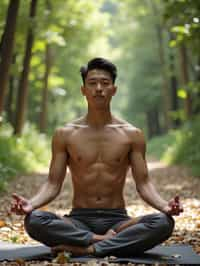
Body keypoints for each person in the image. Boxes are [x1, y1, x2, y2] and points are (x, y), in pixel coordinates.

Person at [11, 57, 183, 257]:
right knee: (34, 220)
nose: (99, 88)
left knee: (163, 223)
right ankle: (101, 241)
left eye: (105, 83)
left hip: (119, 221)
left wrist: (165, 206)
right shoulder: (65, 134)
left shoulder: (132, 134)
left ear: (114, 89)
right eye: (92, 83)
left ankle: (89, 248)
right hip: (78, 220)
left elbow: (144, 184)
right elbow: (52, 184)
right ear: (83, 90)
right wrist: (30, 204)